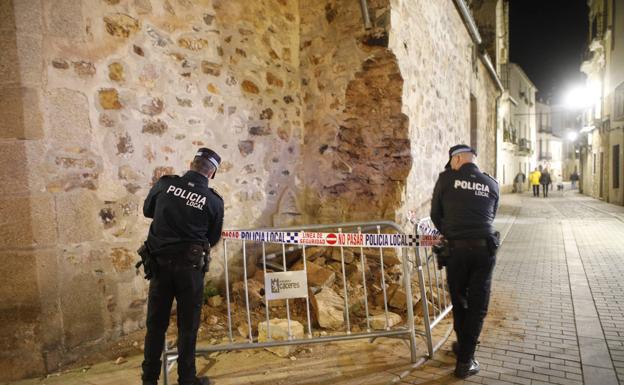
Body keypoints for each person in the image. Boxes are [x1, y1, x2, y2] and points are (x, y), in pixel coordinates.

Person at [140, 148, 224, 385]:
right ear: (213, 173)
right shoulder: (213, 201)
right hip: (190, 271)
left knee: (155, 325)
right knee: (188, 326)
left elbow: (148, 211)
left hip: (160, 266)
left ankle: (149, 380)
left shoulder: (165, 184)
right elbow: (213, 237)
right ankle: (187, 379)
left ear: (191, 163)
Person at [430, 144, 500, 378]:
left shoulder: (446, 179)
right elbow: (491, 214)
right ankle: (465, 355)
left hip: (456, 252)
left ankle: (464, 359)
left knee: (461, 302)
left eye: (451, 161)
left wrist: (452, 233)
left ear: (457, 159)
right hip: (484, 251)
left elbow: (435, 214)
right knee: (478, 305)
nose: (450, 165)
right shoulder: (491, 183)